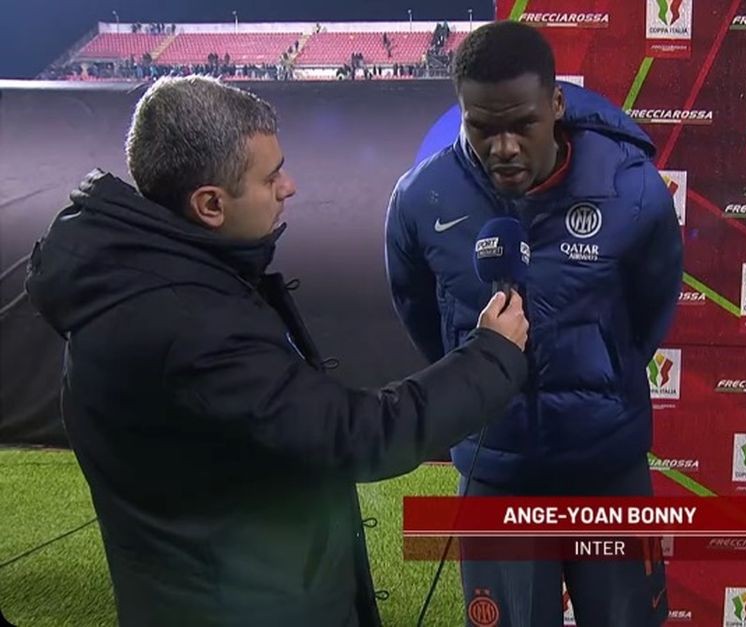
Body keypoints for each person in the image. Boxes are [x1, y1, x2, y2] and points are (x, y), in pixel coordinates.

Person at [24, 75, 529, 627]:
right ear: (210, 204)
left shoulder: (134, 276)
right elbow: (356, 435)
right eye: (270, 177)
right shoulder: (186, 324)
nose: (288, 186)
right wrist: (491, 355)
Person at [385, 20, 683, 627]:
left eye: (522, 124)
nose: (504, 147)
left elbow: (653, 307)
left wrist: (603, 369)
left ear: (556, 104)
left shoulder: (630, 187)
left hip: (607, 465)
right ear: (462, 112)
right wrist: (481, 387)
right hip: (497, 470)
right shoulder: (421, 198)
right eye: (483, 127)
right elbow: (420, 313)